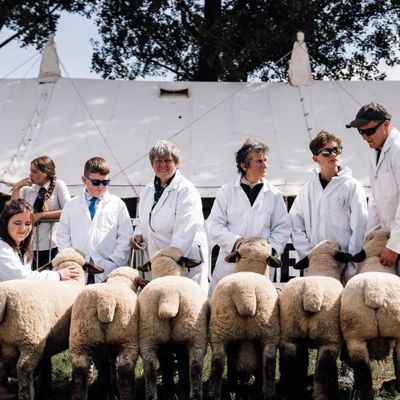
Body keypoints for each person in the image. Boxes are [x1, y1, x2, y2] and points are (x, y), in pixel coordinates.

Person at [207, 138, 291, 296]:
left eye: (265, 160)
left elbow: (282, 227)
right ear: (244, 165)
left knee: (259, 308)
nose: (265, 165)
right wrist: (236, 242)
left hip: (261, 265)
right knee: (225, 310)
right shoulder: (226, 191)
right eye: (259, 161)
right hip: (231, 265)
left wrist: (269, 249)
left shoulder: (274, 194)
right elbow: (214, 225)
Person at [130, 140, 209, 294]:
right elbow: (143, 220)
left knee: (184, 304)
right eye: (158, 161)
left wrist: (168, 262)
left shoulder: (186, 191)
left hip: (182, 261)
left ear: (177, 163)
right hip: (157, 261)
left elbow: (185, 231)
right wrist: (137, 235)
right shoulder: (148, 190)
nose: (163, 165)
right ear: (152, 164)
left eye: (168, 160)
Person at [290, 131, 368, 274]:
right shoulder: (307, 190)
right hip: (316, 264)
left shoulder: (352, 186)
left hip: (345, 266)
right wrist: (310, 254)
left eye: (336, 150)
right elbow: (295, 225)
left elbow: (360, 226)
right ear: (315, 158)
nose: (333, 154)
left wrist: (351, 260)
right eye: (326, 152)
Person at [57, 157, 133, 283]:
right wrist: (71, 260)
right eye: (96, 182)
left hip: (107, 268)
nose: (100, 187)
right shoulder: (71, 205)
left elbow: (125, 236)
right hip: (78, 267)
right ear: (84, 180)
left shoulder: (117, 204)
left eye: (105, 182)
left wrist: (113, 261)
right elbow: (63, 235)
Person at [346, 102, 400, 267]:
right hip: (389, 242)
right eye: (361, 132)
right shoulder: (374, 153)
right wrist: (369, 242)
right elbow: (376, 200)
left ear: (386, 124)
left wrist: (394, 246)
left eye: (369, 131)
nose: (365, 137)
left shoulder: (398, 150)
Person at [11, 156, 71, 269]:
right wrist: (17, 187)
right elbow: (14, 210)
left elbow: (69, 210)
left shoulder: (59, 185)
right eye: (30, 171)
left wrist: (42, 215)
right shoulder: (26, 190)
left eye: (34, 171)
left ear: (46, 173)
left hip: (51, 245)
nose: (30, 174)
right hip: (29, 245)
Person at [0, 199, 79, 281]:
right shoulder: (2, 248)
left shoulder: (22, 248)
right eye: (17, 223)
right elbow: (20, 277)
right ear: (5, 223)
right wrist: (58, 275)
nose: (23, 228)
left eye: (27, 224)